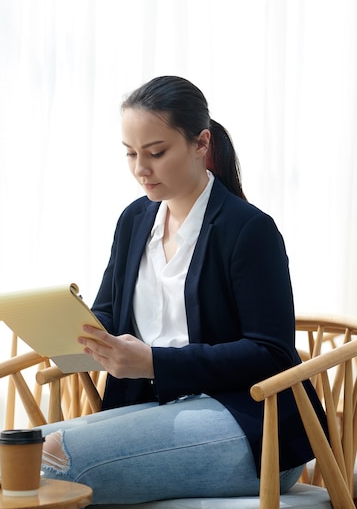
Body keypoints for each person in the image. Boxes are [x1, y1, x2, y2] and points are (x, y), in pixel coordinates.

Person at [39, 75, 325, 505]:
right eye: (131, 153)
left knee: (57, 461)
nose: (141, 168)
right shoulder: (135, 220)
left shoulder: (248, 230)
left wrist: (154, 362)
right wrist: (72, 329)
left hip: (249, 424)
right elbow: (109, 314)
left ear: (201, 143)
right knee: (20, 447)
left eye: (156, 152)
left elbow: (272, 354)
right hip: (153, 410)